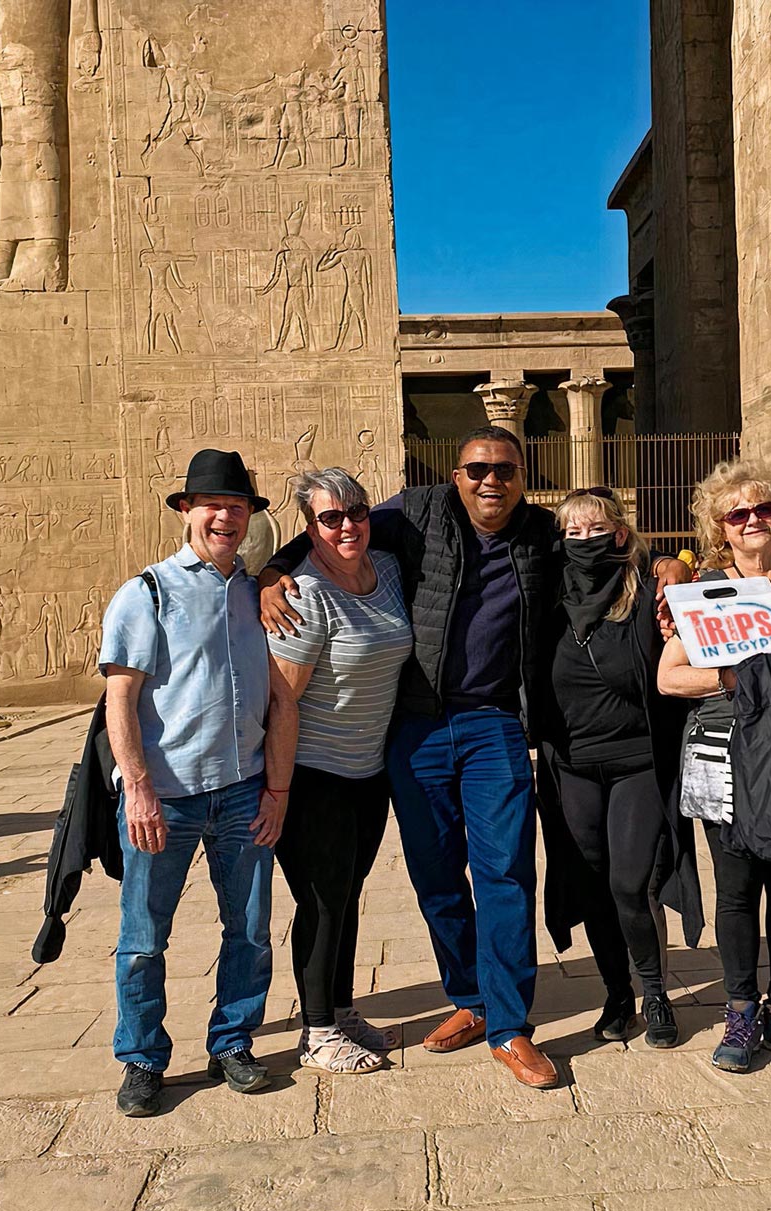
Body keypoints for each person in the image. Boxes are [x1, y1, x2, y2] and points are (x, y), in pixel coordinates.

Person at [261, 427, 689, 1091]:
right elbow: (333, 526)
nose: (492, 480)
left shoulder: (542, 532)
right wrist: (269, 574)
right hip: (418, 727)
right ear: (457, 475)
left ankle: (510, 1026)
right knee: (435, 877)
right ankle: (470, 995)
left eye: (506, 470)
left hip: (493, 724)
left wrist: (670, 566)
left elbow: (610, 550)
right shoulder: (418, 513)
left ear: (522, 476)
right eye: (477, 468)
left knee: (505, 874)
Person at [101, 449, 277, 1117]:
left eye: (236, 507)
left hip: (241, 790)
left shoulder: (255, 592)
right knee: (144, 939)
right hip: (165, 797)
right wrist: (139, 788)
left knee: (252, 929)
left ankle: (232, 1041)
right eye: (212, 506)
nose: (224, 518)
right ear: (186, 511)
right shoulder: (146, 592)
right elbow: (122, 698)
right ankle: (143, 1058)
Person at [660, 459, 771, 1072]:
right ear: (721, 529)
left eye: (763, 509)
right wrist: (735, 676)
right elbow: (668, 677)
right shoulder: (706, 591)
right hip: (725, 755)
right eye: (737, 515)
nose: (752, 521)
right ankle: (741, 1011)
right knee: (736, 890)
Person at [261, 467, 412, 1074]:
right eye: (330, 517)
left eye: (356, 512)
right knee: (321, 902)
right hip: (313, 775)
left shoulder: (390, 571)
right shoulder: (303, 594)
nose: (346, 525)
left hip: (367, 774)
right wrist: (277, 790)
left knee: (348, 897)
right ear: (309, 527)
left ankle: (341, 1010)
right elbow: (282, 702)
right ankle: (318, 1032)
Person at [536, 487, 697, 1051]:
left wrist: (677, 563)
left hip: (636, 762)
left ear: (621, 534)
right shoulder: (545, 591)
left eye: (596, 530)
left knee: (630, 884)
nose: (583, 542)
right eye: (572, 533)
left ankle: (654, 990)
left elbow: (693, 577)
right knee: (594, 884)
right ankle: (616, 993)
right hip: (571, 765)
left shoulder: (651, 590)